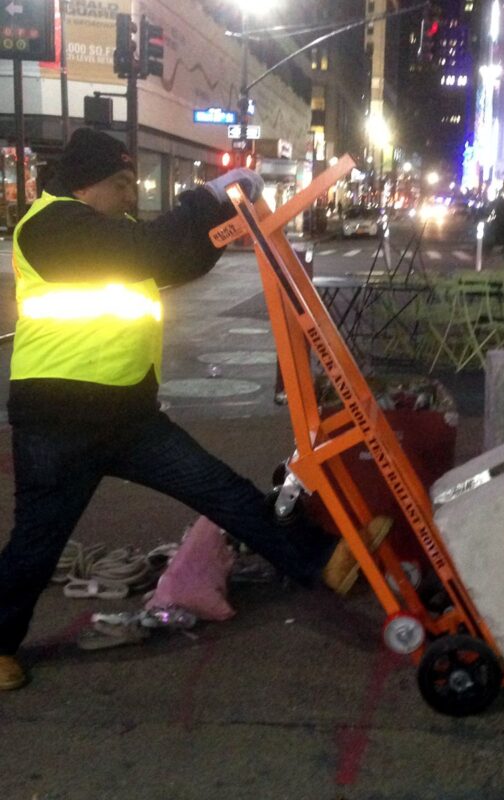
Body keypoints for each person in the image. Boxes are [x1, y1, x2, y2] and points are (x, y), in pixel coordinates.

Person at [0, 129, 386, 691]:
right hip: (59, 418)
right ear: (85, 184)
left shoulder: (107, 229)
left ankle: (322, 559)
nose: (130, 194)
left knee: (220, 490)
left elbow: (178, 261)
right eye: (121, 183)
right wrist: (206, 197)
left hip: (127, 412)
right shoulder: (51, 225)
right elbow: (151, 250)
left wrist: (224, 215)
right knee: (38, 541)